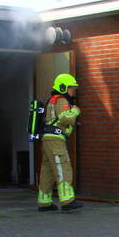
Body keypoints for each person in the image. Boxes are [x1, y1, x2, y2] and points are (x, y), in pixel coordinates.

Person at [38, 73, 83, 212]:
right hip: (55, 140)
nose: (72, 91)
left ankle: (44, 202)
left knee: (48, 171)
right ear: (63, 87)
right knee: (63, 167)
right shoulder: (61, 100)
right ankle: (67, 200)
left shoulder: (52, 100)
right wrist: (76, 111)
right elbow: (66, 119)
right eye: (71, 88)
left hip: (47, 139)